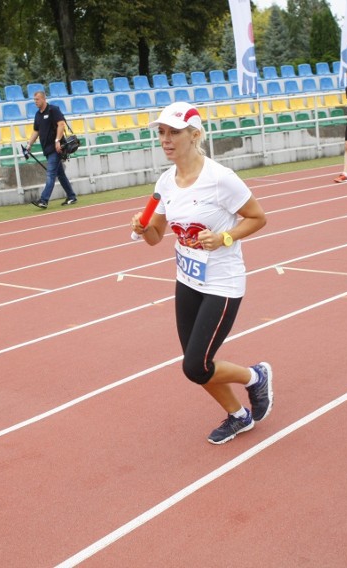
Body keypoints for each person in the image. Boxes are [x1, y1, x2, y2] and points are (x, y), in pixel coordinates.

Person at [130, 102, 273, 444]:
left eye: (174, 133)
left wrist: (224, 237)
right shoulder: (166, 182)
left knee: (196, 366)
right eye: (162, 133)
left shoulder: (220, 178)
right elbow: (154, 239)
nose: (166, 140)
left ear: (195, 136)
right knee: (198, 366)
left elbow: (258, 217)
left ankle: (255, 377)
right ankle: (239, 415)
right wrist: (143, 226)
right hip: (188, 280)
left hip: (222, 282)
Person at [26, 91, 78, 209]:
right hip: (47, 149)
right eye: (34, 99)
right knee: (60, 174)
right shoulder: (38, 115)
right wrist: (29, 144)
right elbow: (36, 131)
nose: (35, 101)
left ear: (44, 99)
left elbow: (61, 124)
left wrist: (57, 141)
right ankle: (71, 196)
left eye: (37, 99)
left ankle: (43, 200)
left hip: (56, 148)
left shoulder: (53, 110)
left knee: (50, 175)